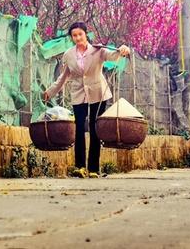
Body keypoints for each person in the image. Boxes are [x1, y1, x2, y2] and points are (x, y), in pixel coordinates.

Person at [43, 22, 130, 178]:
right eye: (74, 35)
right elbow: (63, 77)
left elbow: (114, 55)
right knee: (79, 129)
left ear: (85, 34)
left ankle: (94, 168)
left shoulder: (98, 50)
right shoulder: (68, 55)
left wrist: (123, 50)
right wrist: (50, 91)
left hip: (98, 93)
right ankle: (80, 166)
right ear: (71, 38)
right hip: (78, 94)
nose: (77, 38)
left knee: (95, 128)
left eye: (80, 34)